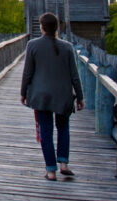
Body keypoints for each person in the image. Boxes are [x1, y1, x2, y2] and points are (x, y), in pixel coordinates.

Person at [21, 12, 84, 181]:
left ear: (42, 27)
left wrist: (23, 93)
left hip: (41, 96)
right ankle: (63, 163)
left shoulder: (32, 45)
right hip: (63, 95)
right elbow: (74, 76)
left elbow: (27, 73)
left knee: (46, 132)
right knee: (63, 128)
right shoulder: (67, 47)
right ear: (57, 27)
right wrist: (80, 96)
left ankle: (51, 171)